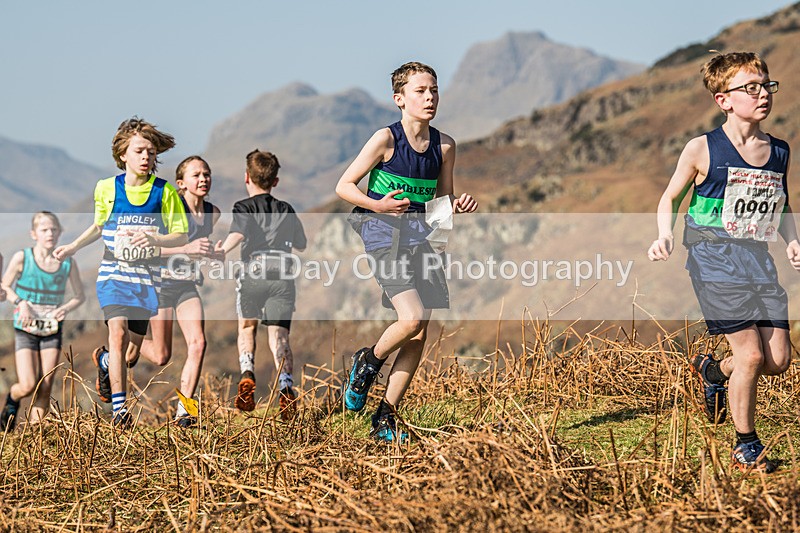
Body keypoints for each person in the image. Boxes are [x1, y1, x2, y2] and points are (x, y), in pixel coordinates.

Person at [648, 52, 800, 472]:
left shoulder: (779, 151)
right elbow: (670, 197)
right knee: (751, 357)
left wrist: (792, 240)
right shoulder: (702, 148)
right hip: (713, 258)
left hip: (758, 259)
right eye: (750, 88)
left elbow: (781, 205)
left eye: (766, 85)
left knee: (778, 361)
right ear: (724, 100)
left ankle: (714, 373)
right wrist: (664, 234)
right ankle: (745, 445)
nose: (762, 94)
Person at [335, 61, 477, 443]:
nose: (429, 97)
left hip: (424, 238)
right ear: (399, 98)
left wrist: (454, 209)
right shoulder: (385, 139)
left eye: (433, 90)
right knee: (410, 319)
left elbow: (441, 202)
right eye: (420, 91)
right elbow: (344, 186)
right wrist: (378, 205)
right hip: (382, 233)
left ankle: (386, 417)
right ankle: (368, 361)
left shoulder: (445, 146)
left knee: (418, 335)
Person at [54, 117, 188, 428]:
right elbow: (100, 226)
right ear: (123, 154)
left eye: (152, 153)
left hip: (145, 279)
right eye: (140, 151)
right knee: (116, 333)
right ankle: (120, 412)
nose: (146, 158)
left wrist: (155, 238)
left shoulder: (164, 192)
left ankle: (103, 361)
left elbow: (180, 235)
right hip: (114, 274)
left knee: (128, 355)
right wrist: (73, 246)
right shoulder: (106, 189)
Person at [122, 156, 220, 428]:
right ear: (181, 183)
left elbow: (199, 249)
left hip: (186, 285)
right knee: (160, 355)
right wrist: (186, 250)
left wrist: (213, 253)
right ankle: (119, 342)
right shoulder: (170, 211)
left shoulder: (213, 213)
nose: (203, 179)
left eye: (206, 173)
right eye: (196, 175)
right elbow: (151, 248)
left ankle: (185, 412)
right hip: (160, 282)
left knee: (198, 343)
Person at [214, 149, 306, 420]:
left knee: (247, 326)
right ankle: (286, 386)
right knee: (279, 336)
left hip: (253, 271)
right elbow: (301, 243)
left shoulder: (243, 207)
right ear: (275, 181)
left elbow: (238, 232)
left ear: (247, 177)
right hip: (282, 275)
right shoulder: (286, 209)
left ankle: (247, 373)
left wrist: (222, 250)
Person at [0, 212, 84, 430]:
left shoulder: (67, 263)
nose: (50, 233)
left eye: (54, 229)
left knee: (45, 385)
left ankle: (34, 437)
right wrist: (21, 302)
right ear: (34, 234)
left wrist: (65, 308)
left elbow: (79, 296)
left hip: (51, 330)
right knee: (28, 384)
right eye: (44, 229)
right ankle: (12, 399)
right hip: (25, 328)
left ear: (60, 233)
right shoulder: (22, 258)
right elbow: (4, 287)